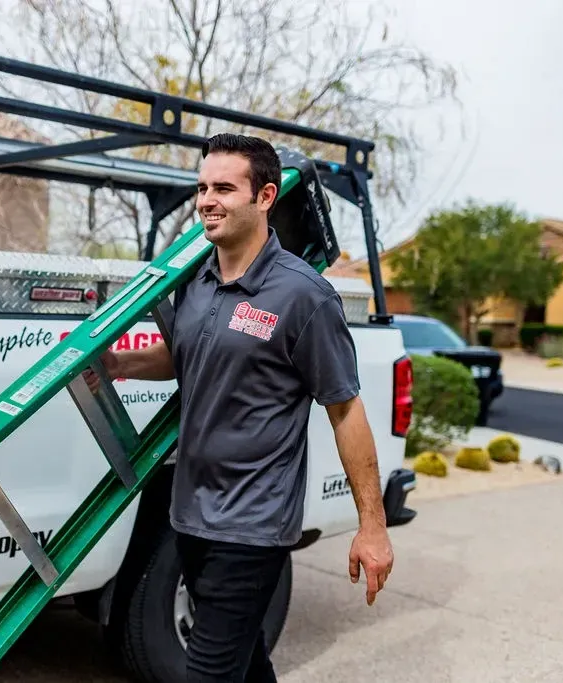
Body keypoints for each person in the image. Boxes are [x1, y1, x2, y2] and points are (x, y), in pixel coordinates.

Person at [85, 133, 394, 682]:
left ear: (265, 197)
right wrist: (123, 366)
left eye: (225, 187)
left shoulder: (303, 296)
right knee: (243, 660)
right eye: (203, 187)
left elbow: (345, 410)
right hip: (191, 513)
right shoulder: (196, 281)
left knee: (207, 672)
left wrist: (373, 526)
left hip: (252, 523)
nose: (208, 199)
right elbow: (191, 355)